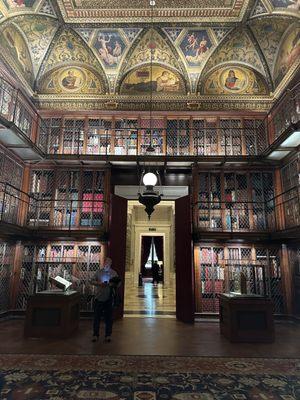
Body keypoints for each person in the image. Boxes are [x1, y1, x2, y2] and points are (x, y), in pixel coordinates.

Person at [90, 257, 118, 343]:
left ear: (111, 264)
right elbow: (91, 281)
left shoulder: (113, 273)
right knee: (96, 318)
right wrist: (99, 283)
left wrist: (112, 284)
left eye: (109, 263)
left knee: (109, 318)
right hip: (99, 297)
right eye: (106, 262)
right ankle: (95, 334)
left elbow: (118, 283)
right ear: (104, 263)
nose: (107, 264)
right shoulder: (98, 272)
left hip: (109, 298)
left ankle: (108, 335)